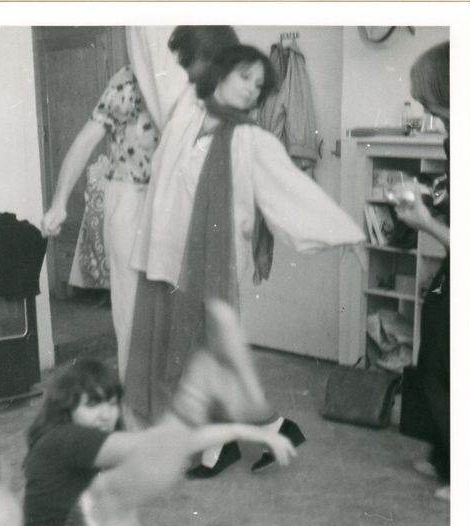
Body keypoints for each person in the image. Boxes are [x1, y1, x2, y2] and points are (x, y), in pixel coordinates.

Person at [124, 38, 365, 477]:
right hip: (169, 254)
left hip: (216, 263)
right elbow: (151, 54)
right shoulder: (184, 114)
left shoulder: (252, 140)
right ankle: (256, 433)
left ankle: (242, 438)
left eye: (260, 84)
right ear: (218, 73)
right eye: (245, 77)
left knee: (210, 353)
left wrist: (343, 232)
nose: (255, 88)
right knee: (189, 354)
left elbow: (293, 192)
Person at [23, 300, 295, 526]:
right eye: (92, 404)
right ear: (66, 409)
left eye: (111, 403)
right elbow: (151, 448)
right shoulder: (63, 439)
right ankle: (203, 383)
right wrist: (237, 423)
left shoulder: (88, 449)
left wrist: (246, 430)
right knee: (114, 490)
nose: (105, 414)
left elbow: (161, 446)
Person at [40, 27, 239, 378]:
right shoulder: (128, 81)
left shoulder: (203, 86)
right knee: (133, 319)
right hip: (130, 203)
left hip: (179, 205)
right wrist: (59, 203)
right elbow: (85, 141)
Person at [391, 41, 451, 502]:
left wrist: (425, 221)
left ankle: (458, 471)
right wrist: (424, 195)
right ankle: (440, 456)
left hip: (462, 274)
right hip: (448, 274)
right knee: (431, 362)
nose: (425, 110)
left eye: (429, 100)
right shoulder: (454, 139)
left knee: (443, 371)